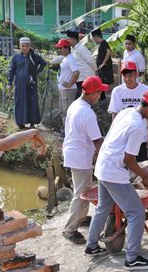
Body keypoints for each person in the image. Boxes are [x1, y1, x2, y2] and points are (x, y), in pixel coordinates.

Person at [85, 89, 148, 271]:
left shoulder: (126, 112)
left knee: (102, 207)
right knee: (136, 212)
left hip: (103, 166)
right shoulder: (138, 127)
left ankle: (91, 246)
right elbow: (128, 159)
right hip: (114, 172)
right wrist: (145, 175)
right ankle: (132, 258)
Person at [62, 76, 106, 244]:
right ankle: (70, 229)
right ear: (93, 93)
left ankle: (81, 218)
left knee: (85, 189)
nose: (100, 95)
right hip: (79, 155)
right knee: (80, 194)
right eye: (99, 92)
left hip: (75, 152)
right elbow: (97, 141)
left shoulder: (76, 105)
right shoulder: (87, 113)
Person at [109, 61, 148, 162]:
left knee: (142, 165)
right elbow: (115, 114)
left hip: (141, 137)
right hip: (123, 136)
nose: (128, 79)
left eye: (130, 75)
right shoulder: (117, 91)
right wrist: (113, 134)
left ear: (136, 74)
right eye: (125, 76)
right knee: (124, 165)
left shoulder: (145, 90)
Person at [7, 37, 46, 129]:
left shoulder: (34, 57)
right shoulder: (15, 57)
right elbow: (11, 70)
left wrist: (36, 72)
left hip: (31, 84)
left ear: (30, 46)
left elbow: (43, 63)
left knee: (32, 101)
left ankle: (33, 123)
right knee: (19, 102)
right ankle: (21, 123)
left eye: (27, 46)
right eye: (23, 46)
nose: (25, 48)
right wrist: (9, 83)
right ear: (19, 46)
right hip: (19, 84)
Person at [50, 39, 80, 138]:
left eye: (61, 48)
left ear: (67, 48)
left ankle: (68, 133)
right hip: (64, 89)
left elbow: (76, 72)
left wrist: (70, 84)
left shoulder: (70, 58)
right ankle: (65, 131)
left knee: (67, 112)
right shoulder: (65, 58)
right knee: (63, 111)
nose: (59, 50)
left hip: (68, 90)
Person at [66, 31, 98, 99]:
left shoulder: (81, 48)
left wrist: (96, 70)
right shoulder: (72, 50)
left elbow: (90, 61)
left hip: (85, 77)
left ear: (74, 39)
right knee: (82, 97)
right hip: (79, 78)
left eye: (69, 39)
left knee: (81, 97)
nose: (68, 41)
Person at [91, 28, 114, 100]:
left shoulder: (104, 43)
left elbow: (109, 51)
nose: (94, 40)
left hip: (105, 70)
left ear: (96, 37)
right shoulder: (102, 44)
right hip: (102, 70)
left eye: (93, 39)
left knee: (105, 87)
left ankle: (105, 102)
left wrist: (103, 63)